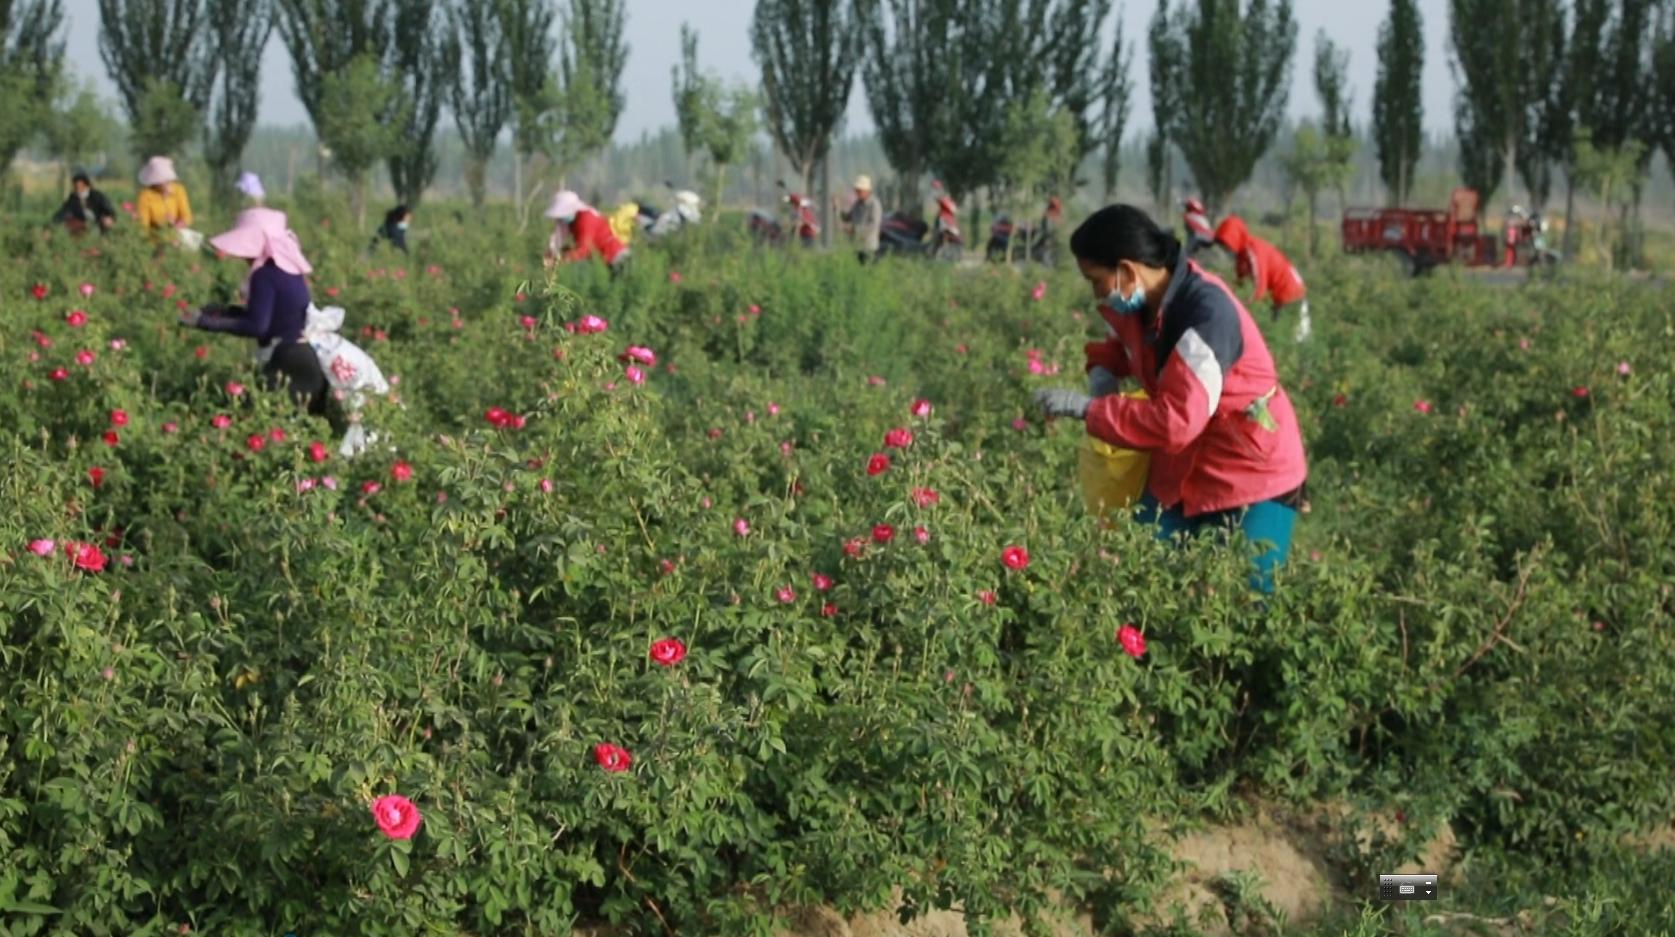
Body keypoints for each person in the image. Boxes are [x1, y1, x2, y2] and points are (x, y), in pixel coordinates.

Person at [1032, 204, 1309, 594]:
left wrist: (1088, 410)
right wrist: (1103, 371)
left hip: (1252, 470)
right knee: (1138, 571)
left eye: (1096, 280)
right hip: (1184, 466)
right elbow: (1125, 344)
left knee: (1246, 598)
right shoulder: (1148, 299)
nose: (1095, 292)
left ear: (1127, 270)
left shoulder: (1207, 315)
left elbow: (1175, 421)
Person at [178, 208, 328, 416]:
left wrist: (205, 322)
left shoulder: (265, 275)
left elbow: (257, 326)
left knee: (258, 422)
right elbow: (273, 315)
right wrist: (224, 311)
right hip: (301, 358)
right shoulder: (285, 268)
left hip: (288, 363)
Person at [1213, 215, 1311, 342]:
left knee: (1293, 341)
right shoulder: (1241, 257)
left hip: (1292, 296)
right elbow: (1241, 284)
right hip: (1280, 298)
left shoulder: (1254, 253)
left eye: (1227, 244)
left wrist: (1243, 312)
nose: (1225, 249)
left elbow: (1258, 291)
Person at [544, 190, 630, 272]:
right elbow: (560, 237)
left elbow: (583, 250)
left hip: (616, 257)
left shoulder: (585, 218)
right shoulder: (573, 221)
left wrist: (557, 260)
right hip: (603, 260)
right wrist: (553, 252)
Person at [136, 156, 194, 234]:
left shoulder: (178, 190)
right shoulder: (145, 196)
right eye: (164, 180)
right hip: (156, 235)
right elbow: (143, 225)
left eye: (168, 180)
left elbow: (187, 216)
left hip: (177, 233)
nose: (167, 183)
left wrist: (177, 226)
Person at [50, 172, 117, 235]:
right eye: (76, 187)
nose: (78, 189)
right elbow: (63, 211)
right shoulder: (73, 198)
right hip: (83, 223)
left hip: (97, 222)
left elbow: (108, 208)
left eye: (80, 187)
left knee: (107, 222)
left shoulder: (97, 196)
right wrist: (52, 224)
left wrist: (109, 217)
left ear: (87, 186)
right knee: (69, 223)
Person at [839, 174, 883, 263]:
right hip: (858, 246)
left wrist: (855, 230)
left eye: (859, 190)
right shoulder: (857, 204)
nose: (857, 193)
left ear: (867, 191)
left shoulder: (874, 204)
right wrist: (838, 208)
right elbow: (847, 217)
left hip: (870, 247)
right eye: (857, 190)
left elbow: (873, 225)